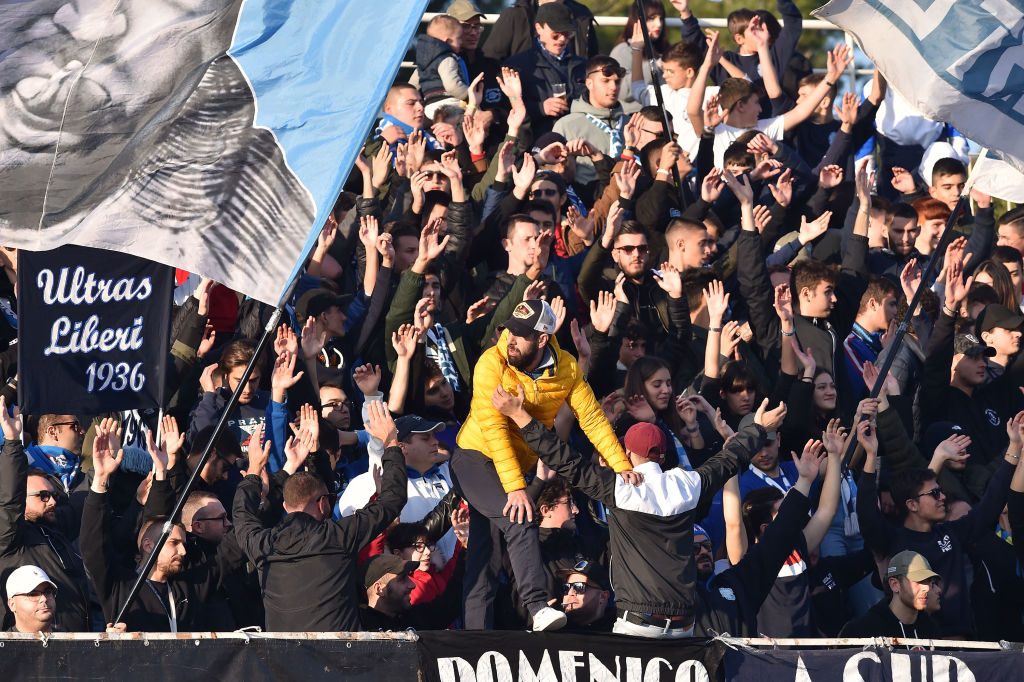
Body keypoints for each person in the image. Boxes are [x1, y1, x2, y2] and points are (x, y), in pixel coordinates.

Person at [493, 378, 787, 637]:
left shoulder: (620, 488)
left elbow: (564, 458)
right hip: (685, 628)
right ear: (661, 457)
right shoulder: (688, 483)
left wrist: (520, 416)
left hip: (637, 629)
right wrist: (759, 428)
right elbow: (730, 459)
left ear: (628, 452)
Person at [452, 299, 632, 631]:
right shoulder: (491, 363)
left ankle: (475, 639)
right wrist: (516, 488)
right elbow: (494, 431)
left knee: (485, 561)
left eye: (520, 334)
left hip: (510, 467)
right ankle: (537, 607)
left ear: (542, 339)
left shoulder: (566, 369)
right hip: (474, 457)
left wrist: (622, 466)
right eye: (509, 331)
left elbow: (591, 419)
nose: (510, 340)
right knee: (520, 519)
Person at [233, 401, 408, 632]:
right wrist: (391, 443)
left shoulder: (262, 544)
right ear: (324, 503)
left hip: (282, 662)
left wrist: (254, 470)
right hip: (338, 659)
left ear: (285, 506)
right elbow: (392, 499)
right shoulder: (338, 536)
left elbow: (242, 513)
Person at [0, 399, 91, 632]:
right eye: (41, 496)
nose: (51, 501)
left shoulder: (57, 533)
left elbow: (91, 509)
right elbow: (9, 500)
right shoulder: (10, 539)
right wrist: (12, 443)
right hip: (26, 652)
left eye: (52, 496)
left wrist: (101, 476)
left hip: (73, 644)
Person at [502, 3, 588, 137]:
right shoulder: (517, 65)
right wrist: (541, 108)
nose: (562, 39)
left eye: (567, 34)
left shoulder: (583, 65)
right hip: (536, 143)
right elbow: (505, 109)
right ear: (538, 28)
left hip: (577, 138)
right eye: (556, 34)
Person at [839, 551, 942, 639]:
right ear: (895, 585)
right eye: (918, 581)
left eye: (929, 582)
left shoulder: (931, 628)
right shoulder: (862, 630)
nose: (927, 588)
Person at [5, 565, 58, 634]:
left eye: (48, 592)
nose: (44, 599)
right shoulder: (5, 643)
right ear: (12, 604)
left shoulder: (71, 642)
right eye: (33, 594)